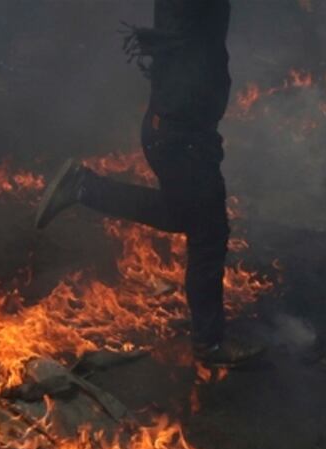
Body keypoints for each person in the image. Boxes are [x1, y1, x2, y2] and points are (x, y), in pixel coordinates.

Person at [34, 0, 263, 368]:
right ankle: (210, 344)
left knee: (185, 217)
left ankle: (83, 188)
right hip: (181, 138)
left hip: (175, 131)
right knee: (209, 234)